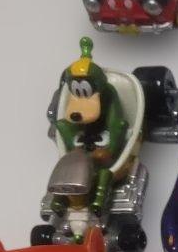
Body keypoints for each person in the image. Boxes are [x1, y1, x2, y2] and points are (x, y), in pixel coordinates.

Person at [54, 37, 129, 215]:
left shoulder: (108, 96)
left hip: (103, 139)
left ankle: (99, 199)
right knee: (66, 169)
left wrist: (109, 150)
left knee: (103, 172)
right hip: (81, 144)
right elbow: (70, 122)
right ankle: (58, 198)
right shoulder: (75, 100)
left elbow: (117, 125)